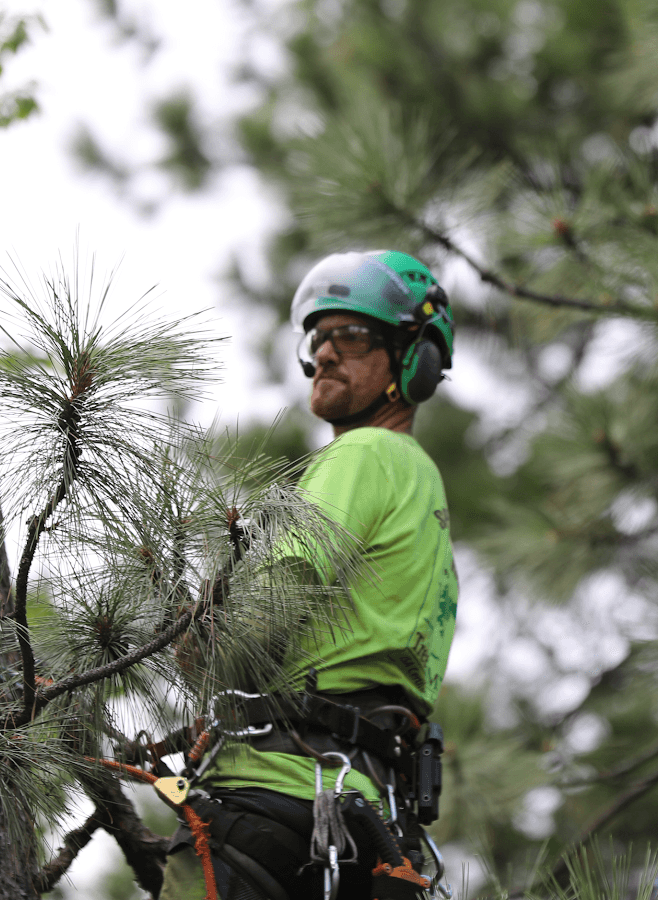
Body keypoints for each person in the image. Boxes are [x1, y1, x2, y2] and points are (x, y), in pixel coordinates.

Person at [158, 250, 459, 900]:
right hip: (368, 824)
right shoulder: (422, 491)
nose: (325, 353)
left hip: (273, 804)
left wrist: (199, 643)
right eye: (319, 337)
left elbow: (260, 624)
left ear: (414, 360)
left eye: (352, 336)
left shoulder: (365, 454)